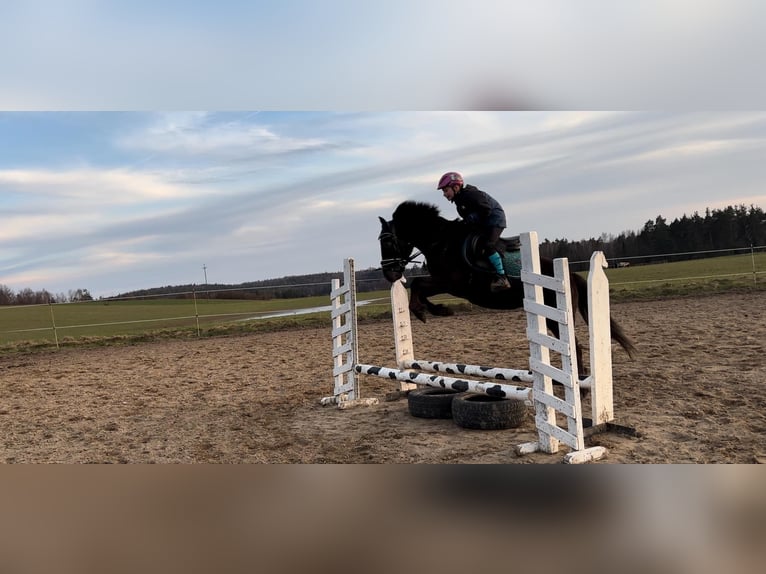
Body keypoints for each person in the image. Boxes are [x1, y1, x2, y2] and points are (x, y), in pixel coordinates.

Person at [437, 171, 511, 292]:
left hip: (495, 220)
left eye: (445, 190)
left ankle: (502, 277)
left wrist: (470, 219)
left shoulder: (471, 194)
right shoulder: (459, 201)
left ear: (455, 187)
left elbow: (485, 209)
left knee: (487, 245)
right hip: (484, 222)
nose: (444, 194)